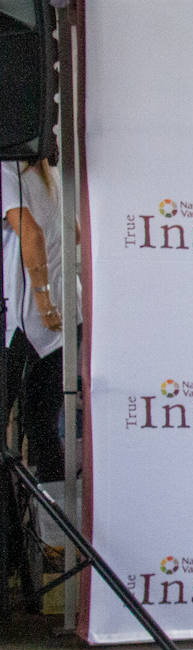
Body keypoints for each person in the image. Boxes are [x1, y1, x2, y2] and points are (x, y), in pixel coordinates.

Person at [2, 158, 68, 485]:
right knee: (42, 427)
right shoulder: (48, 173)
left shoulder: (6, 171)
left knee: (23, 425)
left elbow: (32, 236)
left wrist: (43, 301)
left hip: (24, 320)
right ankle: (50, 528)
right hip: (62, 321)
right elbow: (75, 234)